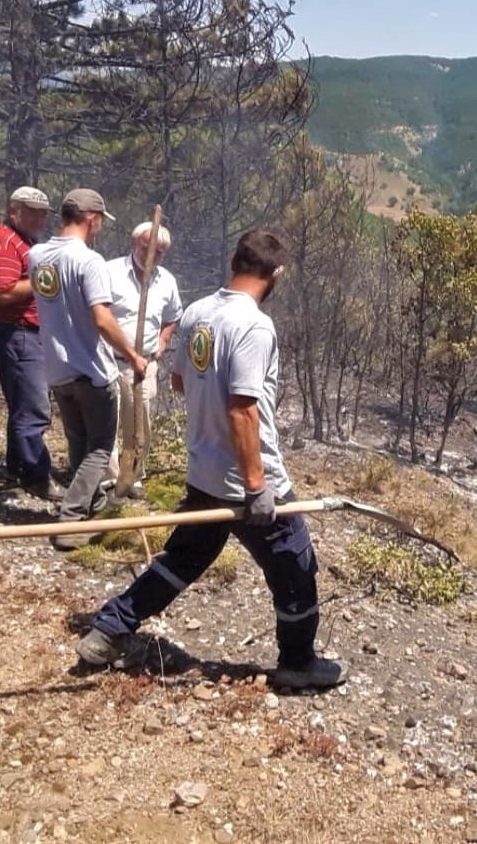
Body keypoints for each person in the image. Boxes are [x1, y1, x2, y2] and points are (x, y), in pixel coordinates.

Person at [76, 229, 346, 689]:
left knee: (182, 560)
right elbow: (243, 409)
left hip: (204, 472)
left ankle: (109, 629)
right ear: (276, 274)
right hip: (249, 480)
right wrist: (257, 487)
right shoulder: (255, 326)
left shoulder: (199, 311)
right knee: (296, 566)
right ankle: (299, 663)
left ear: (234, 261)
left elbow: (181, 382)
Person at [28, 189, 148, 551]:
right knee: (98, 448)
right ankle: (71, 519)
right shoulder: (89, 261)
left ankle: (93, 504)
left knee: (78, 442)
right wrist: (133, 354)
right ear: (91, 218)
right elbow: (101, 318)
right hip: (91, 369)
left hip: (57, 367)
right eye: (99, 221)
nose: (99, 228)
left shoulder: (37, 256)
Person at [0, 186, 61, 501]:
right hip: (18, 333)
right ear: (15, 211)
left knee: (21, 407)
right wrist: (47, 281)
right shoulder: (3, 242)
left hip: (25, 333)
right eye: (34, 211)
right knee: (34, 408)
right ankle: (37, 476)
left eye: (43, 212)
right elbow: (4, 292)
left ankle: (16, 470)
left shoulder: (22, 241)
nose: (41, 218)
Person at [105, 220, 183, 498]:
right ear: (133, 243)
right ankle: (111, 478)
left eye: (160, 251)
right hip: (109, 359)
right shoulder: (110, 272)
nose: (152, 254)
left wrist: (163, 340)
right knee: (107, 422)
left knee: (140, 423)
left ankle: (133, 475)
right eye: (147, 246)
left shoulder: (166, 281)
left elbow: (173, 316)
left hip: (145, 364)